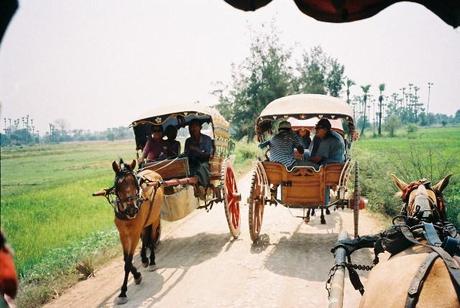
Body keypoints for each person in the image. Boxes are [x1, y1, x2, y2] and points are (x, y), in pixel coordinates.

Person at [184, 119, 213, 187]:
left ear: (200, 128)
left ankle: (203, 186)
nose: (193, 129)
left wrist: (196, 149)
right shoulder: (188, 141)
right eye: (191, 127)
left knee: (202, 167)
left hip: (204, 161)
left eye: (195, 126)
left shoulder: (207, 139)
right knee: (185, 169)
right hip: (192, 162)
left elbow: (208, 154)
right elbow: (186, 154)